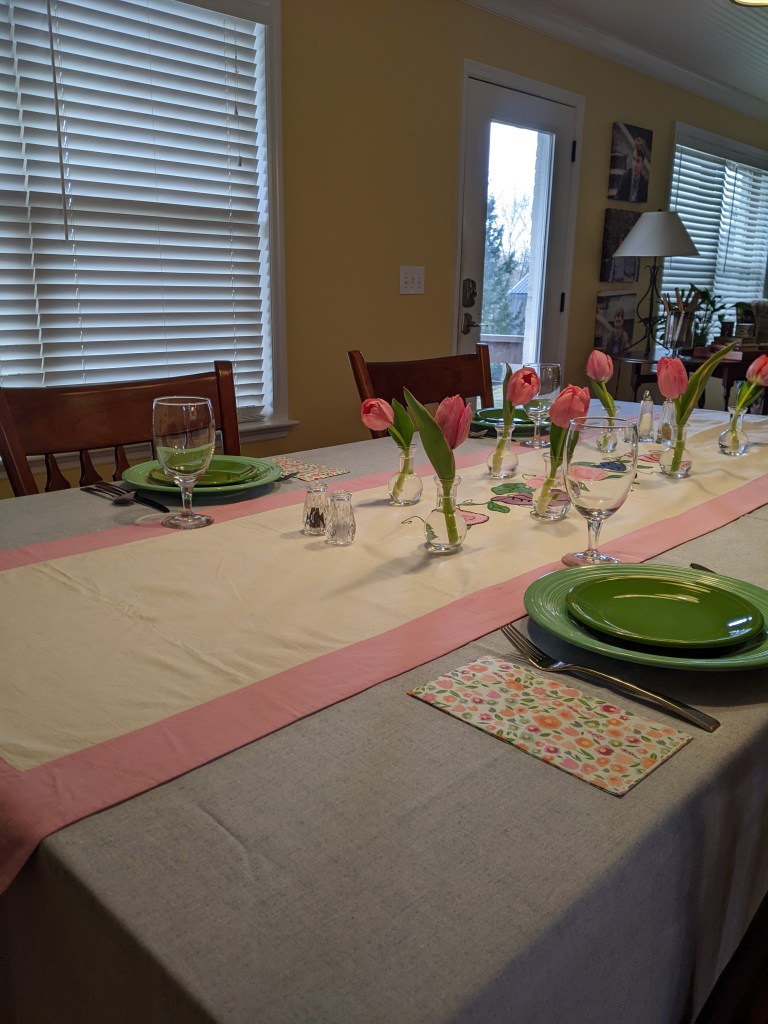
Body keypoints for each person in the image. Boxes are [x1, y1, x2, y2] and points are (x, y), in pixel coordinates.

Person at [616, 137, 649, 203]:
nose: (635, 164)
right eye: (634, 159)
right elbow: (617, 199)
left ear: (642, 163)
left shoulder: (644, 183)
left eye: (638, 161)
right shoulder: (625, 177)